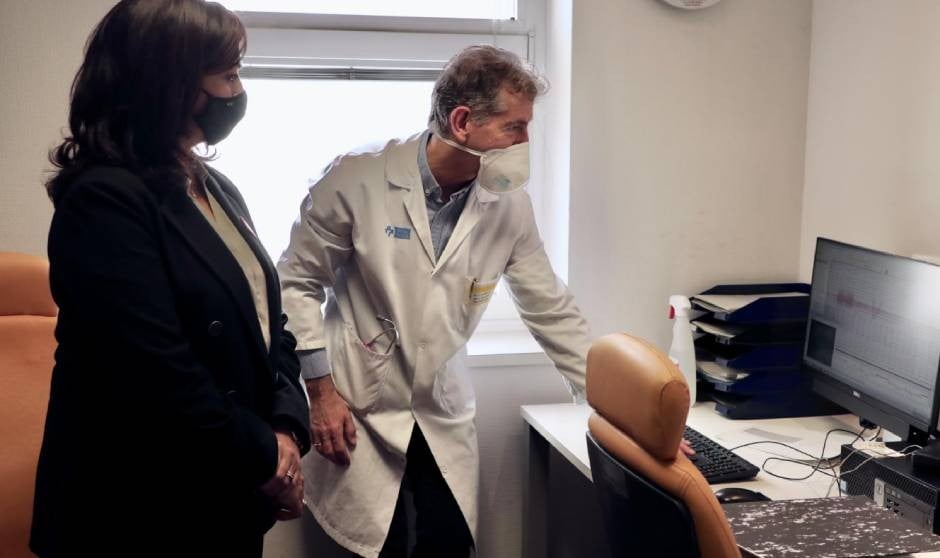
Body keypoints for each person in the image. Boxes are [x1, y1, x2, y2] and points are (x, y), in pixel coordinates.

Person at [277, 45, 590, 557]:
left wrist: (603, 402)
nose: (525, 142)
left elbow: (550, 308)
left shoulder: (508, 207)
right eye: (514, 127)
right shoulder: (356, 179)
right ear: (462, 122)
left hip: (439, 403)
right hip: (357, 402)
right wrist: (321, 393)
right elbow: (295, 283)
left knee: (449, 542)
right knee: (378, 548)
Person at [30, 2, 310, 556]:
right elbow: (155, 373)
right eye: (227, 75)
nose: (238, 92)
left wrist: (287, 427)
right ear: (170, 85)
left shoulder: (216, 186)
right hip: (136, 508)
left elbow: (266, 322)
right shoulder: (103, 200)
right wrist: (265, 456)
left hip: (223, 492)